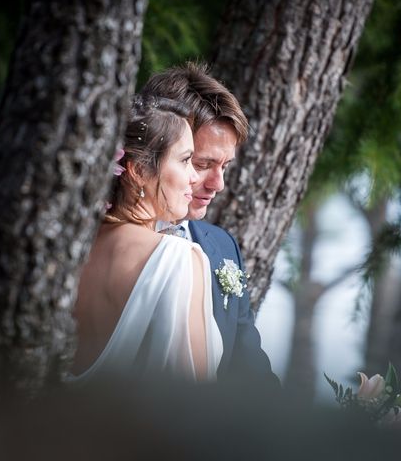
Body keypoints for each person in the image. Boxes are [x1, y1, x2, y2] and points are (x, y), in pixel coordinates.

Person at [69, 95, 223, 383]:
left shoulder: (71, 253)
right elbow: (195, 399)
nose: (194, 176)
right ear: (138, 171)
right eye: (186, 160)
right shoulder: (176, 258)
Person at [141, 62, 278, 385]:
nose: (218, 184)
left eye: (225, 166)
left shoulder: (223, 247)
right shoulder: (97, 243)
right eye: (202, 163)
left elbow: (251, 376)